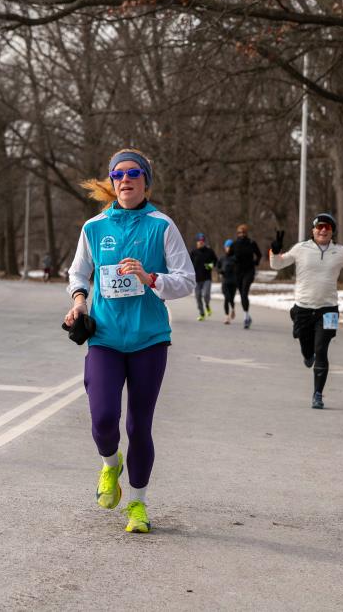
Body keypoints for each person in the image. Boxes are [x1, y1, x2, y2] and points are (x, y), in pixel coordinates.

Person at [65, 148, 195, 534]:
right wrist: (79, 301)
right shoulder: (94, 227)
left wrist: (150, 278)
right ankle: (110, 464)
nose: (125, 179)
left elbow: (186, 280)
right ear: (112, 182)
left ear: (146, 182)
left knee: (139, 426)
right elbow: (78, 273)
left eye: (134, 173)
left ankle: (138, 503)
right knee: (104, 418)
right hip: (105, 338)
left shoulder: (162, 226)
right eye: (118, 174)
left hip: (148, 340)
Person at [269, 213, 343, 409]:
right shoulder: (301, 248)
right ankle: (306, 353)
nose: (323, 230)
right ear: (313, 230)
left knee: (321, 350)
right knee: (307, 348)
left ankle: (317, 394)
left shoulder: (340, 251)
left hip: (328, 310)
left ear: (332, 231)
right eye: (319, 227)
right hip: (303, 307)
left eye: (327, 227)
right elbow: (277, 264)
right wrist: (275, 252)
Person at [230, 223, 262, 329]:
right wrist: (233, 261)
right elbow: (229, 255)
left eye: (243, 232)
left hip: (249, 271)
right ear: (237, 233)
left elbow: (259, 254)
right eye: (240, 232)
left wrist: (256, 262)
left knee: (244, 292)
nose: (242, 234)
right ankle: (247, 315)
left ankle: (245, 317)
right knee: (242, 294)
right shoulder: (234, 244)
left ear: (246, 233)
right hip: (238, 271)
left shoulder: (251, 243)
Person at [189, 233, 218, 321]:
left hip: (207, 278)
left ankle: (207, 305)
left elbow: (216, 261)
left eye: (202, 241)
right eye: (199, 241)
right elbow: (188, 264)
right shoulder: (193, 252)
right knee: (198, 297)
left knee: (206, 295)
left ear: (204, 242)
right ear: (197, 242)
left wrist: (211, 265)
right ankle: (202, 313)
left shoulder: (210, 251)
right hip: (196, 279)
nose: (200, 242)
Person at [218, 239, 239, 324]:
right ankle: (227, 317)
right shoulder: (222, 258)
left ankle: (233, 309)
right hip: (225, 281)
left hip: (233, 281)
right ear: (225, 247)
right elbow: (217, 267)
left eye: (230, 247)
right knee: (227, 298)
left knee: (231, 299)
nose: (228, 248)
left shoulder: (235, 258)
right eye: (227, 247)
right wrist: (220, 271)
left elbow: (239, 269)